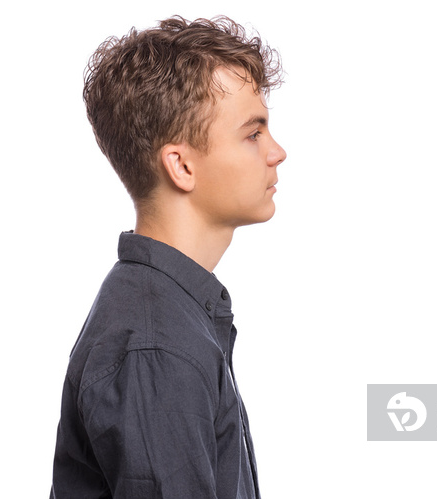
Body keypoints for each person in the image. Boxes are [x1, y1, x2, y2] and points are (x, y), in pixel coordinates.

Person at [50, 15, 287, 499]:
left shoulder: (171, 314)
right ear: (180, 165)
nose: (277, 152)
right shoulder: (158, 344)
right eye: (253, 133)